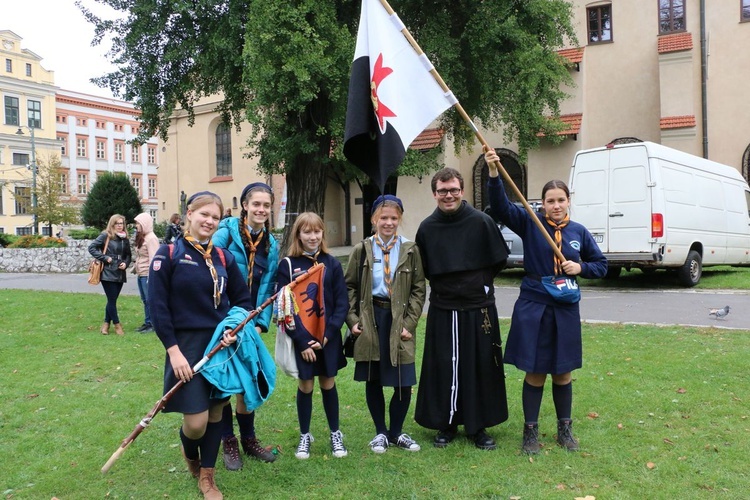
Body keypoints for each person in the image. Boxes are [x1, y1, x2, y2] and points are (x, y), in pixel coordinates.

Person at [484, 148, 608, 454]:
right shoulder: (530, 223)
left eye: (561, 200)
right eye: (550, 200)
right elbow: (500, 207)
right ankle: (530, 432)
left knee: (563, 370)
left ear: (568, 202)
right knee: (535, 369)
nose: (555, 205)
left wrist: (581, 268)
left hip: (565, 308)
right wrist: (494, 174)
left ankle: (564, 430)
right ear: (543, 203)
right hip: (534, 305)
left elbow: (602, 265)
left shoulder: (579, 232)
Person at [149, 191, 254, 499]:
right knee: (196, 423)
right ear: (189, 215)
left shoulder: (223, 258)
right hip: (185, 348)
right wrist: (173, 351)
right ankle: (190, 454)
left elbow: (243, 301)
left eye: (215, 217)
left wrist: (234, 327)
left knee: (217, 412)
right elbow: (158, 309)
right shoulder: (168, 255)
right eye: (204, 214)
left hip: (219, 347)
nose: (209, 221)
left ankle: (207, 477)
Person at [414, 167, 509, 450]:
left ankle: (478, 426)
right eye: (443, 191)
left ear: (462, 191)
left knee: (479, 364)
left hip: (478, 306)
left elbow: (497, 261)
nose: (449, 195)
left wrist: (476, 285)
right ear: (435, 194)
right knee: (445, 364)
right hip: (444, 307)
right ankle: (447, 423)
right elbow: (426, 268)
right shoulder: (427, 228)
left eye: (454, 189)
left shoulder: (481, 222)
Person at [345, 195, 426, 454]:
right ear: (373, 220)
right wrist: (354, 321)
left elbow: (418, 288)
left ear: (399, 219)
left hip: (399, 320)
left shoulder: (410, 250)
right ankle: (380, 432)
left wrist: (410, 324)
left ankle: (397, 432)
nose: (388, 223)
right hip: (372, 318)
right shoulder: (362, 250)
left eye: (393, 218)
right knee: (374, 378)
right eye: (383, 218)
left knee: (403, 379)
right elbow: (349, 287)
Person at [212, 182, 279, 469]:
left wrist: (261, 323)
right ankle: (229, 441)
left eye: (266, 205)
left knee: (249, 379)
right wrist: (218, 319)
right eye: (256, 204)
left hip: (250, 320)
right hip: (223, 319)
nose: (261, 210)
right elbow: (211, 272)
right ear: (245, 206)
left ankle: (249, 439)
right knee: (227, 381)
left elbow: (267, 286)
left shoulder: (271, 244)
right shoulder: (225, 233)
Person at [276, 212, 348, 460]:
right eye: (307, 232)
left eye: (317, 231)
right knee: (305, 385)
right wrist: (302, 341)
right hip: (302, 339)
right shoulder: (287, 265)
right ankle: (305, 435)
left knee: (328, 382)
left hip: (327, 338)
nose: (313, 236)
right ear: (298, 235)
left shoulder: (332, 263)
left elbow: (341, 303)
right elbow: (284, 307)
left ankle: (335, 433)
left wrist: (327, 335)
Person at [88, 214, 132, 336]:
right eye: (117, 223)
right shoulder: (105, 235)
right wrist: (105, 258)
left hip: (120, 272)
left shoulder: (125, 238)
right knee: (112, 300)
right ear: (112, 224)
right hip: (108, 271)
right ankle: (117, 325)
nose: (119, 226)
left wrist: (126, 263)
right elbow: (92, 248)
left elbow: (128, 255)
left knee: (112, 300)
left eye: (121, 223)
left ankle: (106, 324)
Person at [133, 213, 160, 333]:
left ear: (145, 224)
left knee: (150, 300)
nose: (136, 226)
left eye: (138, 223)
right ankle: (147, 321)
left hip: (147, 274)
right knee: (145, 300)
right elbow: (140, 256)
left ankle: (153, 324)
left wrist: (151, 276)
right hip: (141, 273)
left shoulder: (151, 238)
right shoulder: (142, 237)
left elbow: (153, 259)